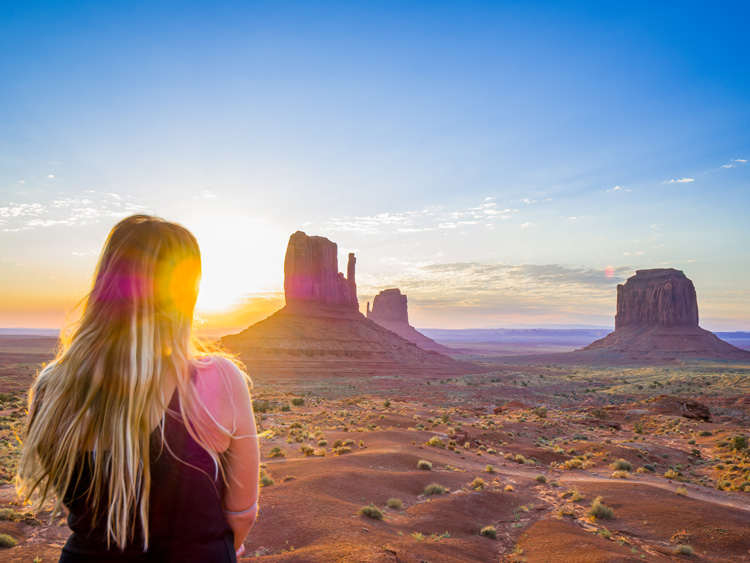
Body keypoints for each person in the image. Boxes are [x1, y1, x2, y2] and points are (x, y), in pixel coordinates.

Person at [17, 214, 260, 562]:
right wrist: (222, 547)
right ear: (185, 290)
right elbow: (243, 513)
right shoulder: (220, 378)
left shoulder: (52, 386)